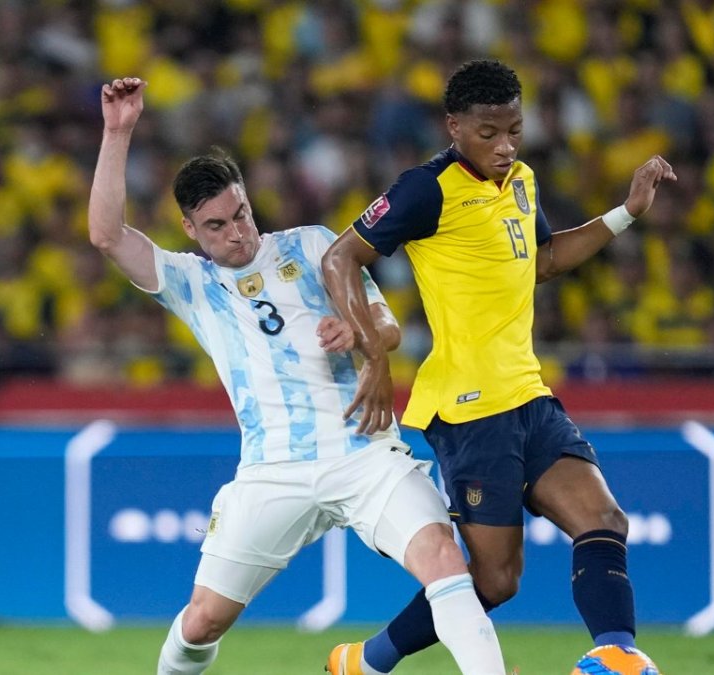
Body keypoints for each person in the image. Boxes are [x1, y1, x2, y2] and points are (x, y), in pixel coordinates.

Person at [88, 77, 507, 675]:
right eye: (216, 225)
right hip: (272, 469)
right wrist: (117, 132)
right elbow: (107, 235)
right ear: (190, 229)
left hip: (362, 453)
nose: (237, 232)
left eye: (241, 214)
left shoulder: (313, 247)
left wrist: (357, 331)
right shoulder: (190, 282)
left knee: (443, 557)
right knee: (203, 621)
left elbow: (388, 326)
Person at [322, 60, 675, 674]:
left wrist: (626, 212)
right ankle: (365, 661)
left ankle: (615, 653)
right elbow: (339, 257)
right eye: (489, 133)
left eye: (514, 130)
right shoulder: (425, 189)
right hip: (468, 409)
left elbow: (545, 260)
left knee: (604, 519)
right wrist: (373, 355)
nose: (505, 146)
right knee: (495, 580)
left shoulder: (521, 180)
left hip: (528, 395)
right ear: (454, 126)